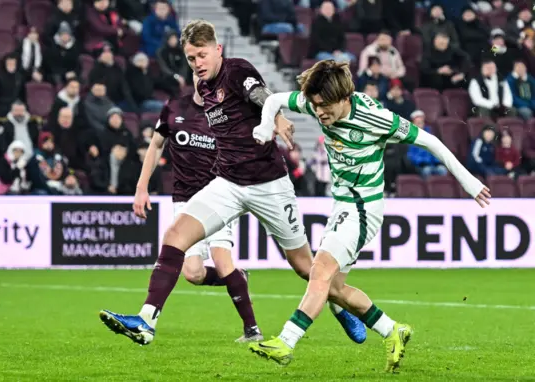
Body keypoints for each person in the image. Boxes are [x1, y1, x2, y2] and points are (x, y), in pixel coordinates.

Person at [99, 20, 367, 347]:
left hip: (268, 183)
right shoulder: (203, 90)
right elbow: (159, 143)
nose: (197, 63)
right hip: (227, 183)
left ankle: (341, 307)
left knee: (304, 267)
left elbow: (260, 95)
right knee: (174, 236)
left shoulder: (237, 70)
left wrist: (278, 117)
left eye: (202, 55)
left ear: (218, 50)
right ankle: (146, 321)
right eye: (191, 58)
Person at [248, 60, 491, 371]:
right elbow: (273, 99)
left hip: (364, 208)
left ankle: (286, 341)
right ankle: (393, 330)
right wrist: (266, 124)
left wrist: (469, 182)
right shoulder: (317, 102)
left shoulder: (375, 117)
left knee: (319, 270)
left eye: (324, 106)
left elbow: (431, 141)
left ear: (344, 97)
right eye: (314, 105)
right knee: (334, 289)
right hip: (342, 204)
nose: (319, 112)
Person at [132, 73, 262, 342]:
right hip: (184, 201)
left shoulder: (226, 114)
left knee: (221, 259)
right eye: (197, 73)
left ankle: (252, 330)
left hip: (219, 198)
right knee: (193, 273)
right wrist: (141, 187)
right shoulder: (174, 107)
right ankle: (238, 279)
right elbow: (156, 146)